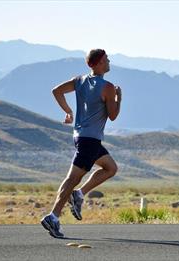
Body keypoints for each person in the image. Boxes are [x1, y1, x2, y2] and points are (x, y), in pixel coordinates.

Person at [41, 49, 121, 238]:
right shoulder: (107, 87)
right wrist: (119, 98)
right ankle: (53, 216)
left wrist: (68, 112)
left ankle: (79, 194)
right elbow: (113, 115)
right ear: (100, 62)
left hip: (81, 137)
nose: (109, 61)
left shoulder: (79, 80)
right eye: (107, 59)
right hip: (90, 140)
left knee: (111, 168)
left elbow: (57, 91)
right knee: (72, 179)